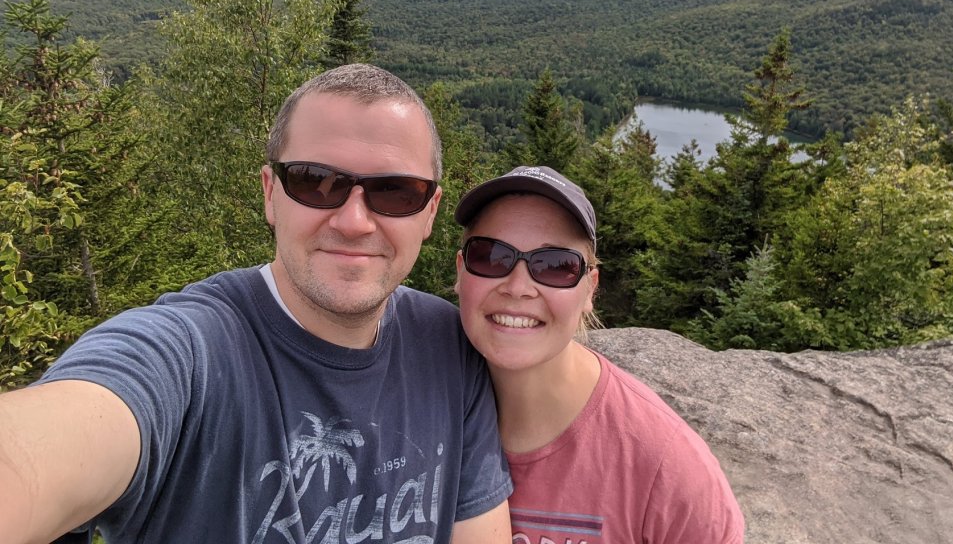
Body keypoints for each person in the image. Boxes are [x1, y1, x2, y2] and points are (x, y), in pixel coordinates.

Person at [0, 64, 512, 544]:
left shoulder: (448, 346)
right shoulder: (191, 352)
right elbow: (37, 451)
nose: (354, 221)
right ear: (271, 194)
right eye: (317, 181)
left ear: (429, 212)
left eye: (396, 191)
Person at [453, 166, 745, 543]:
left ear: (590, 288)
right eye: (491, 256)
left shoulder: (666, 466)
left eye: (555, 266)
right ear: (461, 271)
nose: (519, 286)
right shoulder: (417, 404)